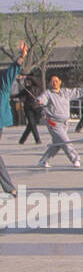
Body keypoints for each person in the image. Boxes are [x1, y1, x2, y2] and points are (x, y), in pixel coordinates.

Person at [34, 72, 83, 168]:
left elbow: (77, 92)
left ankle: (43, 160)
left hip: (65, 123)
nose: (54, 83)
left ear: (60, 82)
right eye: (52, 81)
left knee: (58, 143)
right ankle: (75, 158)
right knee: (65, 141)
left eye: (56, 81)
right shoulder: (48, 93)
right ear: (50, 83)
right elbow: (42, 99)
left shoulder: (65, 92)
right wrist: (39, 101)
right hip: (53, 122)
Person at [0, 42, 29, 198]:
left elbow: (12, 71)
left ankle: (9, 187)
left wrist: (21, 57)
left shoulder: (3, 82)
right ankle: (9, 187)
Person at [18, 77, 43, 145]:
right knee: (32, 124)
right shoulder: (25, 90)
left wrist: (26, 77)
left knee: (31, 125)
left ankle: (22, 139)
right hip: (28, 108)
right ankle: (37, 139)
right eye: (26, 82)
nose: (27, 83)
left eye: (28, 81)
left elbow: (35, 81)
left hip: (37, 108)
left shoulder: (37, 87)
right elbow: (19, 95)